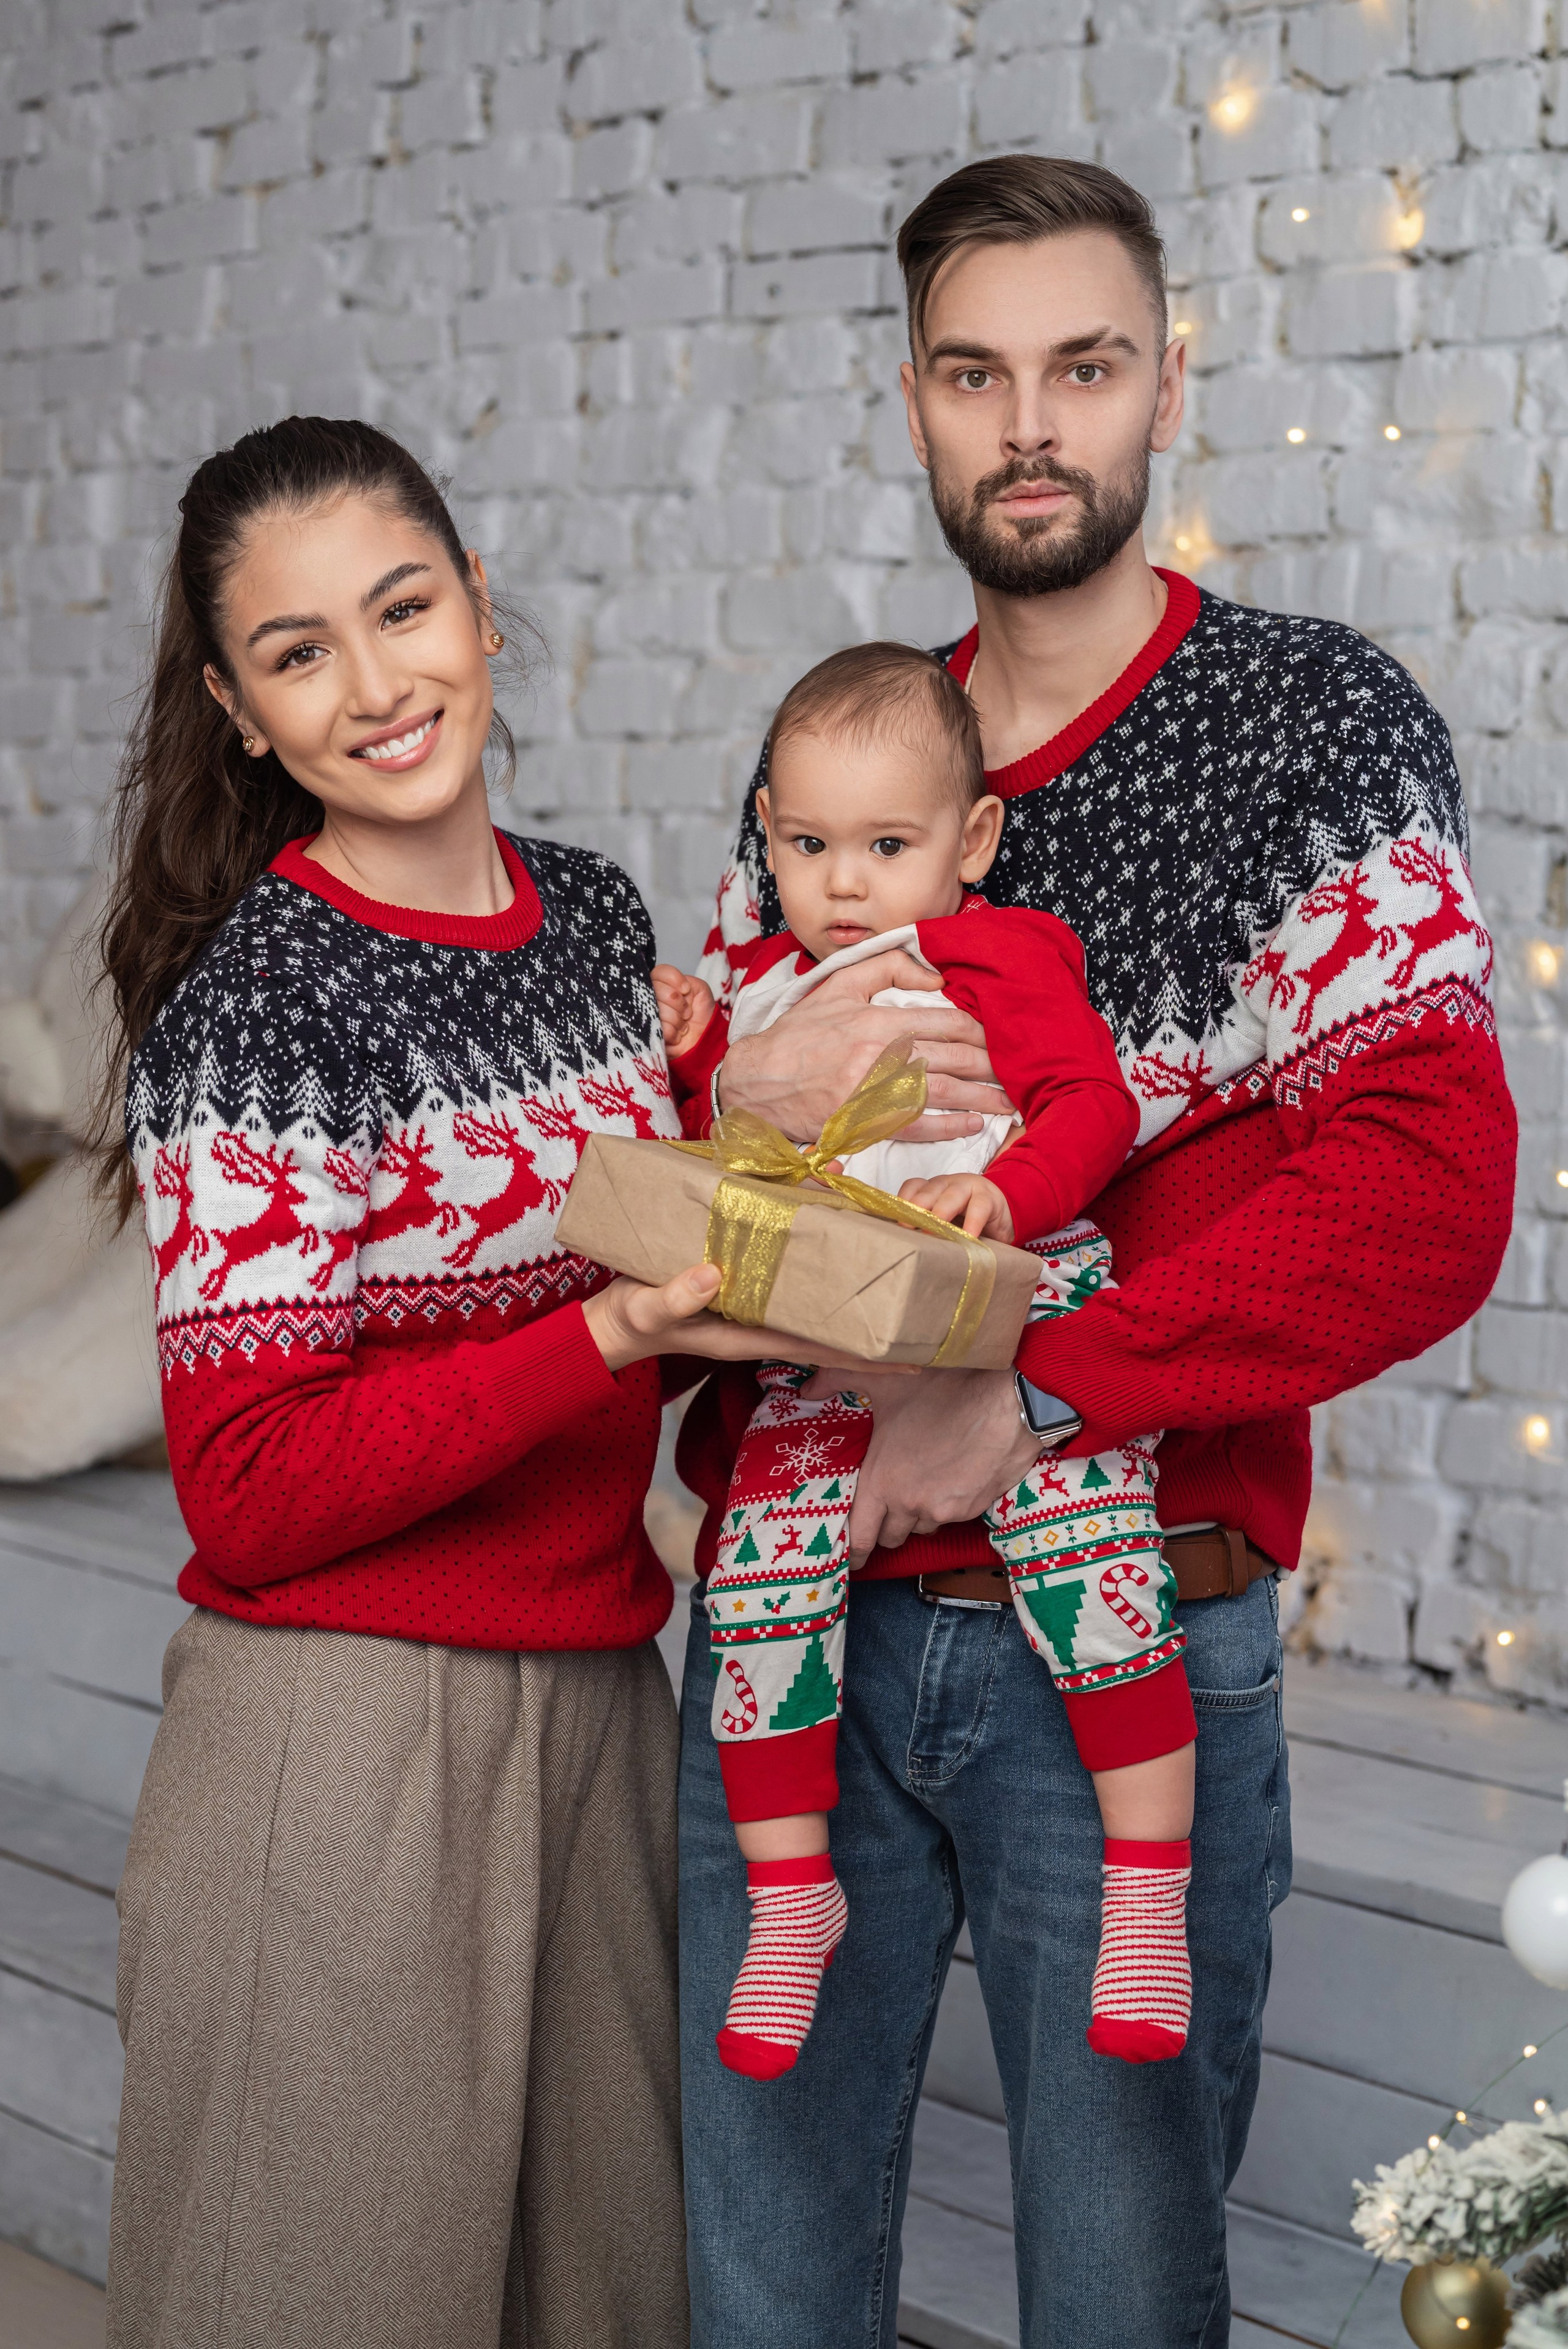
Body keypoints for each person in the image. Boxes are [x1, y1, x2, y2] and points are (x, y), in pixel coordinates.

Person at [674, 157, 1515, 2346]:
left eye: (1085, 363)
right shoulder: (843, 766)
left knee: (1127, 2300)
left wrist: (1036, 1383)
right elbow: (689, 1187)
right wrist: (724, 1115)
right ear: (916, 399)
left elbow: (1428, 1183)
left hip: (1136, 1628)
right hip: (802, 1628)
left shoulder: (1310, 728)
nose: (1030, 421)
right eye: (977, 371)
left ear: (1168, 381)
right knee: (761, 2283)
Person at [91, 415, 881, 2349]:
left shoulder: (605, 924)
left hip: (604, 1700)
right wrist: (608, 1327)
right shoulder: (258, 1008)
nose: (375, 687)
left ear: (481, 608)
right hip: (341, 1741)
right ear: (238, 706)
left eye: (402, 608)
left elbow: (643, 1246)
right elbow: (256, 1486)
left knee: (594, 2312)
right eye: (299, 654)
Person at [657, 639, 1196, 2082]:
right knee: (758, 1573)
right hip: (827, 1342)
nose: (842, 883)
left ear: (970, 842)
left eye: (886, 846)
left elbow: (1095, 1104)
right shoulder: (762, 986)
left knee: (1093, 1551)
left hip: (1006, 1295)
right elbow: (708, 1157)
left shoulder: (998, 955)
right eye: (808, 844)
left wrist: (1011, 1192)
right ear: (764, 829)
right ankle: (790, 1894)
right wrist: (691, 1050)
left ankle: (1145, 1886)